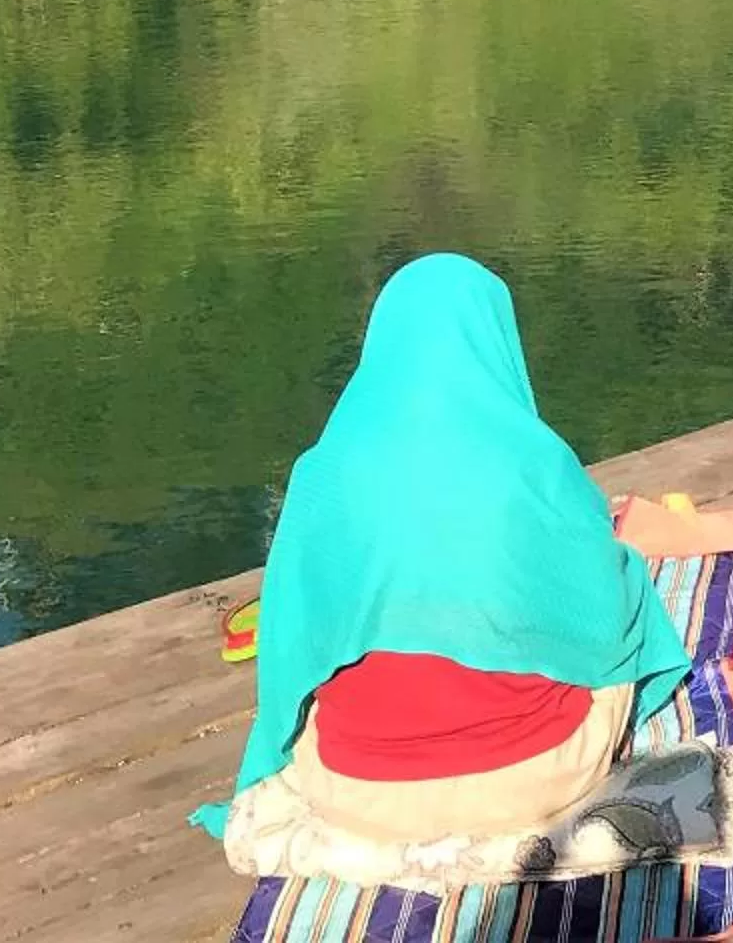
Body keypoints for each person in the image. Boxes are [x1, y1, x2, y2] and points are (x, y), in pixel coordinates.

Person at [194, 253, 696, 847]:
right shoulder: (533, 462)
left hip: (356, 796)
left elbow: (289, 641)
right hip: (536, 780)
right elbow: (605, 617)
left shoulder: (322, 473)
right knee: (628, 595)